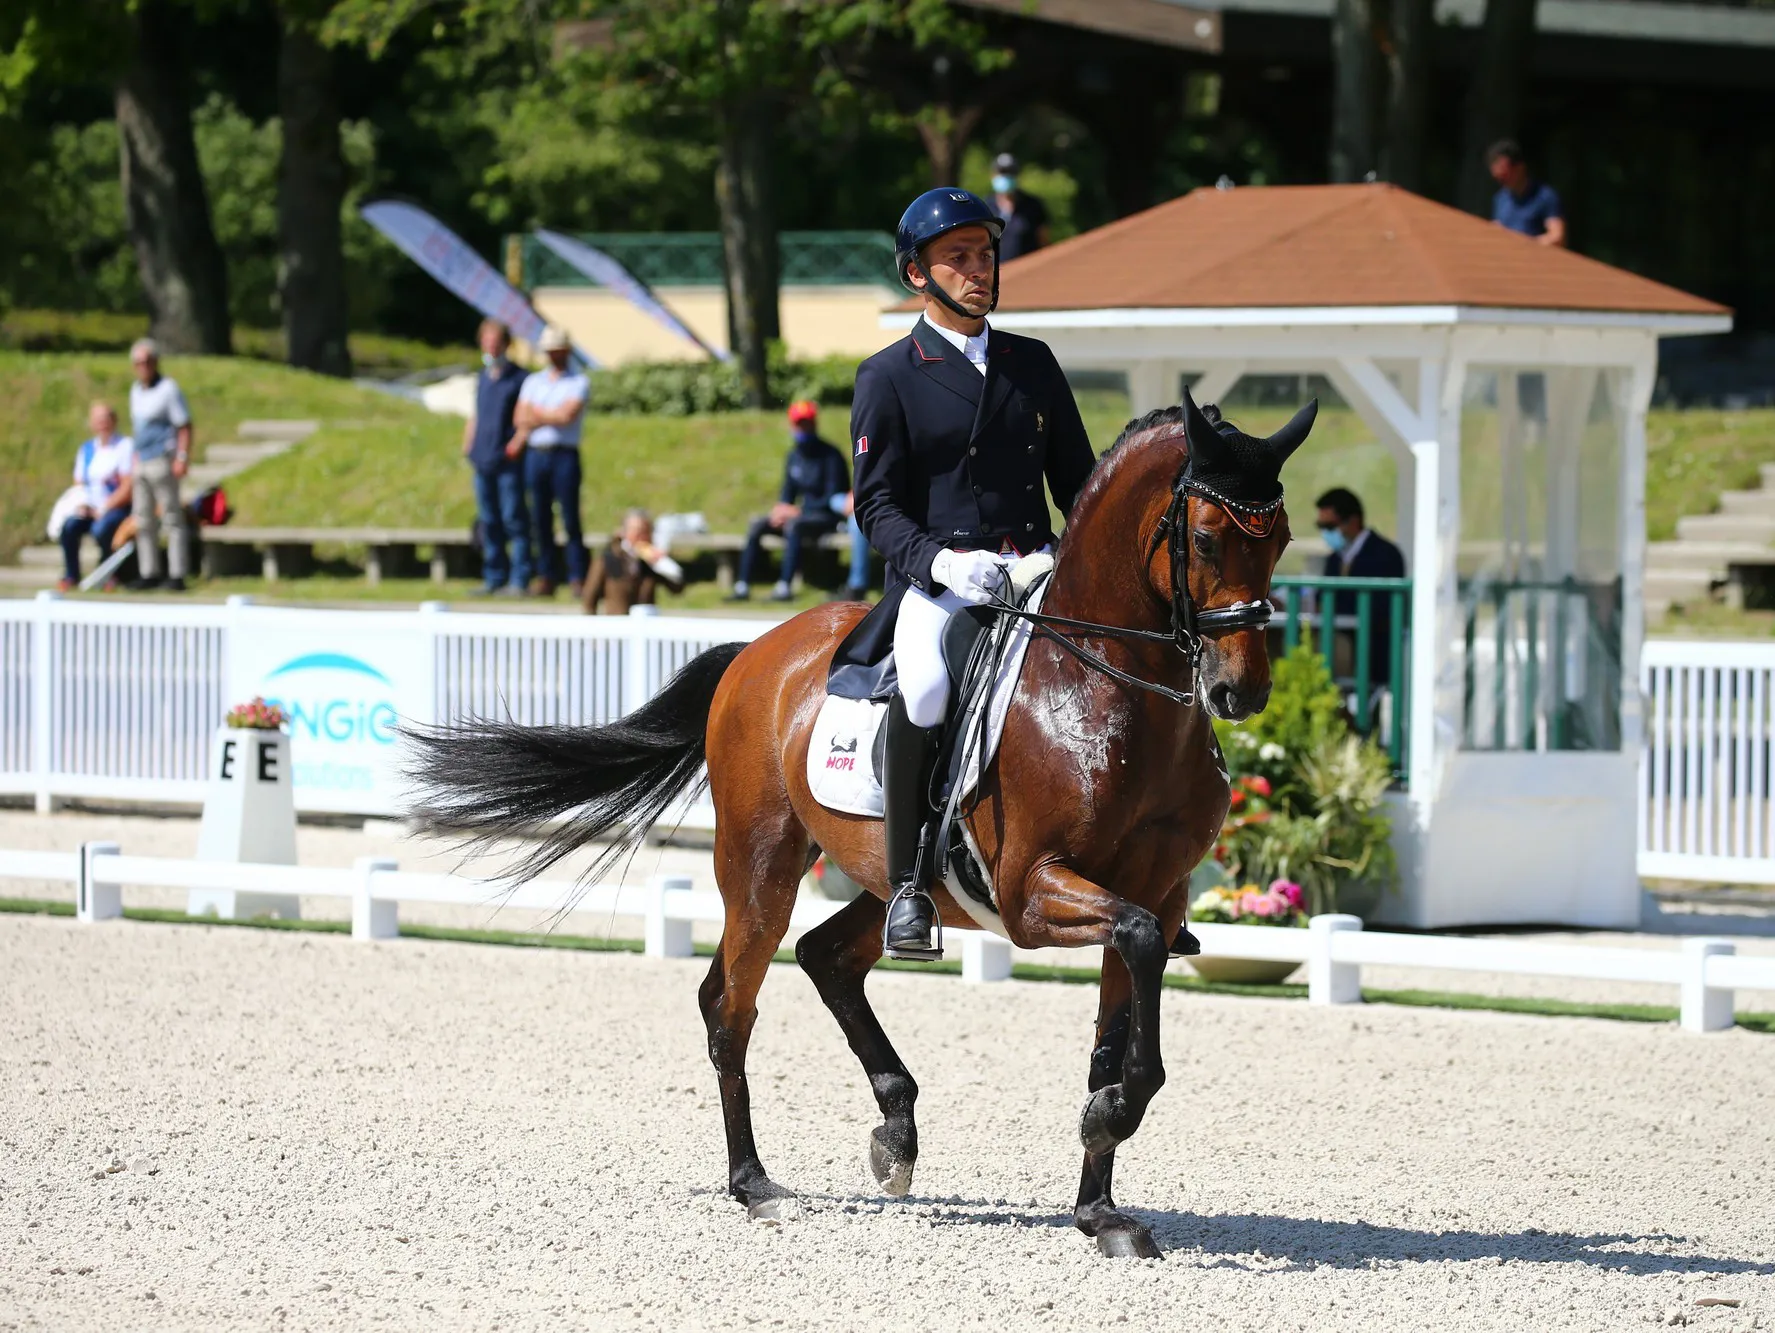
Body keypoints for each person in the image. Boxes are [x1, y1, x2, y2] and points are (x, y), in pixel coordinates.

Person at [846, 186, 1095, 960]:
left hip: (1035, 572)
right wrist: (942, 560)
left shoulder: (1032, 363)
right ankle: (910, 884)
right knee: (922, 686)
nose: (977, 269)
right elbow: (875, 505)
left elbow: (1078, 483)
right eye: (957, 257)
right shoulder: (889, 374)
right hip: (941, 581)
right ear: (916, 274)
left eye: (984, 253)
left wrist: (1068, 551)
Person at [727, 400, 849, 603]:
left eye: (806, 423)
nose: (802, 428)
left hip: (826, 517)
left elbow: (834, 497)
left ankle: (784, 587)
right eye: (798, 424)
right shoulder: (794, 456)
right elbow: (788, 493)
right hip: (800, 515)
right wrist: (781, 510)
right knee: (757, 525)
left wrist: (799, 511)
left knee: (794, 525)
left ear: (814, 424)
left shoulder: (831, 456)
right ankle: (742, 586)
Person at [516, 325, 590, 597]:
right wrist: (549, 415)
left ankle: (577, 575)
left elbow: (566, 417)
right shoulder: (534, 382)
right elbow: (520, 418)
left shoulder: (578, 382)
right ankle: (546, 575)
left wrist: (537, 414)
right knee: (540, 518)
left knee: (570, 518)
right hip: (537, 454)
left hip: (564, 454)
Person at [461, 320, 531, 597]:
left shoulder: (520, 378)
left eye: (496, 342)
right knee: (489, 520)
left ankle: (520, 578)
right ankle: (494, 576)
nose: (491, 347)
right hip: (483, 458)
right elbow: (476, 414)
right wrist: (469, 444)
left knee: (514, 518)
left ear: (506, 344)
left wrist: (516, 444)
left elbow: (526, 418)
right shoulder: (482, 377)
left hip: (508, 461)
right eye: (487, 342)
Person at [1316, 487, 1407, 688]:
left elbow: (1380, 609)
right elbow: (1320, 600)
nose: (1325, 533)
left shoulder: (1386, 555)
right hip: (1339, 644)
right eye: (1320, 526)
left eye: (1330, 526)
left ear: (1353, 521)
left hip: (1373, 650)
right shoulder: (1334, 559)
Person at [126, 338, 193, 591]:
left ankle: (177, 573)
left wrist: (182, 457)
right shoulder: (136, 391)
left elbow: (184, 425)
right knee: (143, 519)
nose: (144, 366)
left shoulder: (168, 389)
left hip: (163, 459)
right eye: (139, 363)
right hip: (141, 461)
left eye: (148, 361)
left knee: (171, 517)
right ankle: (149, 571)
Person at [58, 402, 135, 591]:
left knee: (103, 528)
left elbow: (127, 486)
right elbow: (80, 483)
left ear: (114, 421)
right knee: (69, 527)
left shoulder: (124, 446)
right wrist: (84, 504)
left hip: (116, 506)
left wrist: (105, 507)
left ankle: (109, 574)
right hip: (91, 507)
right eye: (98, 420)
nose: (102, 424)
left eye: (106, 419)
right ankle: (71, 574)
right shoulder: (87, 450)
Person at [581, 509, 686, 615]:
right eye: (638, 532)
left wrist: (663, 564)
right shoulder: (609, 557)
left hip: (646, 622)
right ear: (625, 532)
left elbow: (677, 589)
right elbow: (590, 596)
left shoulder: (650, 562)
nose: (643, 537)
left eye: (647, 533)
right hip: (617, 623)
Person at [1487, 140, 1566, 248]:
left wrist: (1525, 244)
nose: (1501, 181)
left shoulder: (1545, 196)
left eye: (1505, 175)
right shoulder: (1500, 199)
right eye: (1498, 177)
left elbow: (1557, 237)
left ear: (1520, 167)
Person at [990, 153, 1050, 263]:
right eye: (1002, 173)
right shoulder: (985, 207)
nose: (1006, 177)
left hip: (1028, 272)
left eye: (1010, 173)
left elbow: (1043, 241)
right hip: (995, 275)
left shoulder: (1032, 205)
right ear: (993, 175)